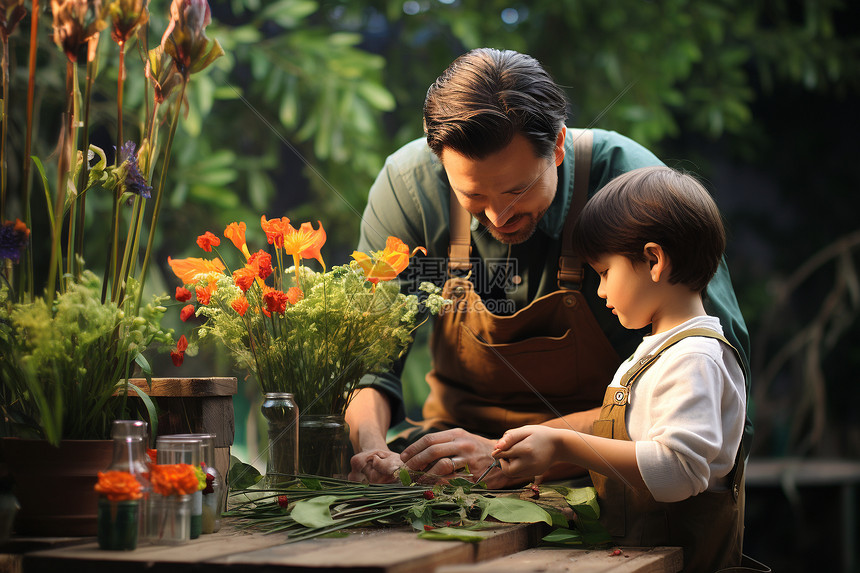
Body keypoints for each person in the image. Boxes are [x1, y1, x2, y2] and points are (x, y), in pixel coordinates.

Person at [346, 47, 751, 488]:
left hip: (605, 479)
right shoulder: (410, 188)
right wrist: (371, 448)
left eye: (519, 191)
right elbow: (367, 365)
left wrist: (512, 450)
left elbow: (716, 396)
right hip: (450, 471)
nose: (499, 217)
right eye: (474, 198)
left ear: (557, 146)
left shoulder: (630, 187)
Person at [493, 165, 746, 571]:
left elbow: (680, 470)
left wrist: (563, 444)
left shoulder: (693, 358)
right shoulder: (658, 351)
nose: (601, 291)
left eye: (605, 272)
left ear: (652, 260)